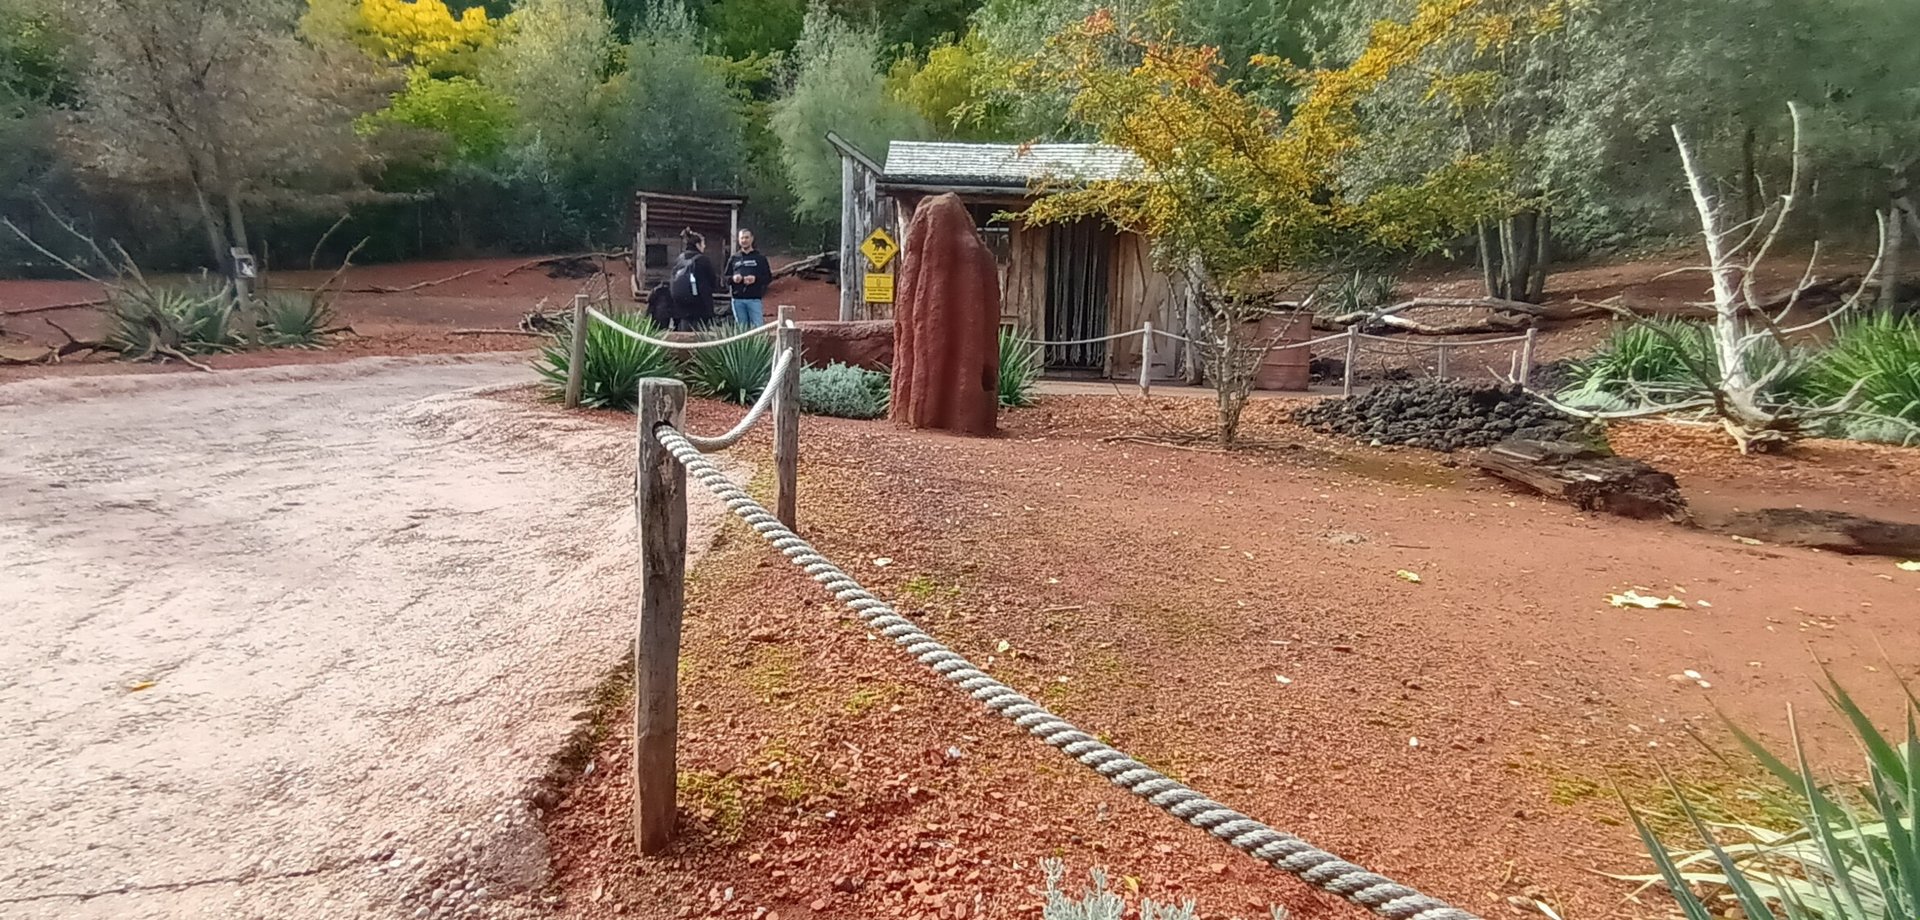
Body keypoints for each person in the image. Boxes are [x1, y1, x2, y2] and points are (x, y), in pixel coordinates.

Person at [667, 229, 719, 331]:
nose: (704, 246)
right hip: (700, 308)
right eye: (703, 244)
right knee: (699, 340)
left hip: (680, 308)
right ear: (697, 245)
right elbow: (713, 281)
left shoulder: (679, 259)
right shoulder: (703, 260)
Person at [724, 228, 773, 327]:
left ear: (752, 239)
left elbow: (768, 278)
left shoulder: (760, 258)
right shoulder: (733, 258)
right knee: (742, 331)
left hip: (754, 299)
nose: (744, 240)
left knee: (758, 329)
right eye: (742, 238)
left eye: (746, 238)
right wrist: (733, 279)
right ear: (738, 240)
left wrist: (755, 279)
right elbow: (725, 278)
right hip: (737, 300)